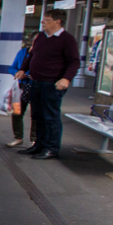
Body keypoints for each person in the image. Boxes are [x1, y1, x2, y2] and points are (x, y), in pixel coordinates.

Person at [15, 9, 80, 160]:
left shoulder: (67, 39)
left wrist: (66, 79)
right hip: (35, 81)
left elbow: (74, 62)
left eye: (47, 19)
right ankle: (39, 144)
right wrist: (23, 69)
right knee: (37, 115)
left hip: (52, 84)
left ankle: (52, 148)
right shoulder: (41, 38)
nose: (43, 22)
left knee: (50, 116)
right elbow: (32, 55)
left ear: (58, 21)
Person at [6, 36, 40, 148]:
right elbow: (12, 68)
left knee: (35, 114)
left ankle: (34, 140)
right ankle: (17, 137)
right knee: (16, 112)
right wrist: (17, 73)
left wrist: (29, 74)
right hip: (21, 87)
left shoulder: (43, 54)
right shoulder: (22, 52)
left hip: (36, 86)